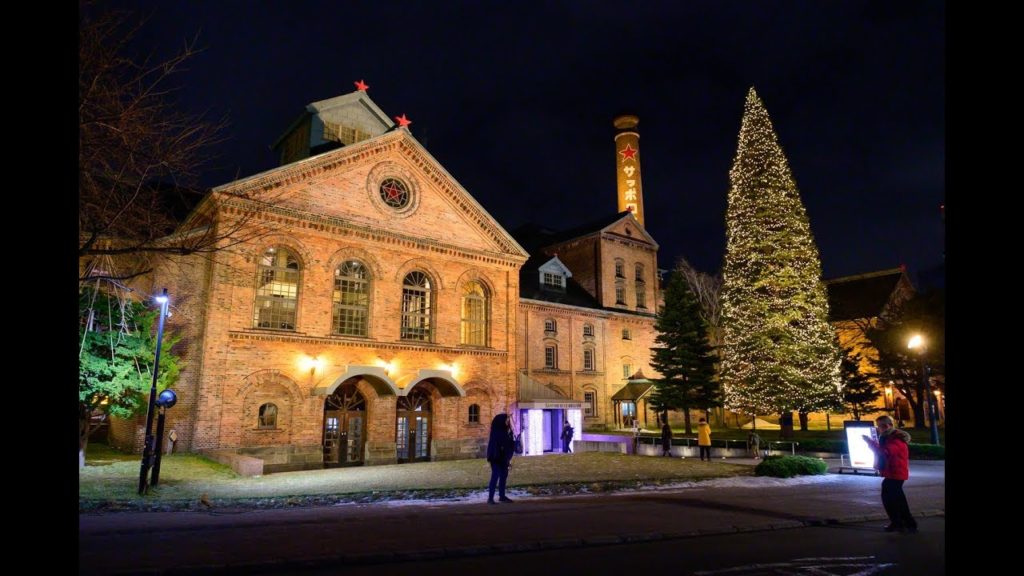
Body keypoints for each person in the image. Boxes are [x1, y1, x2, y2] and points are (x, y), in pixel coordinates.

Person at [863, 415, 917, 533]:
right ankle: (906, 523)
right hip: (894, 473)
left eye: (880, 426)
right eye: (878, 426)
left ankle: (899, 523)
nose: (878, 429)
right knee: (898, 499)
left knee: (890, 498)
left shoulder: (896, 439)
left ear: (888, 426)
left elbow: (884, 452)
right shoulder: (889, 437)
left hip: (896, 473)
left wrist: (870, 442)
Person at [486, 413, 516, 504]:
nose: (507, 421)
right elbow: (500, 444)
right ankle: (490, 498)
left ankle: (502, 496)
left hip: (503, 458)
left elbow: (509, 444)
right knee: (495, 476)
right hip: (496, 457)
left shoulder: (505, 430)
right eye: (506, 420)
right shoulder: (497, 431)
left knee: (503, 476)